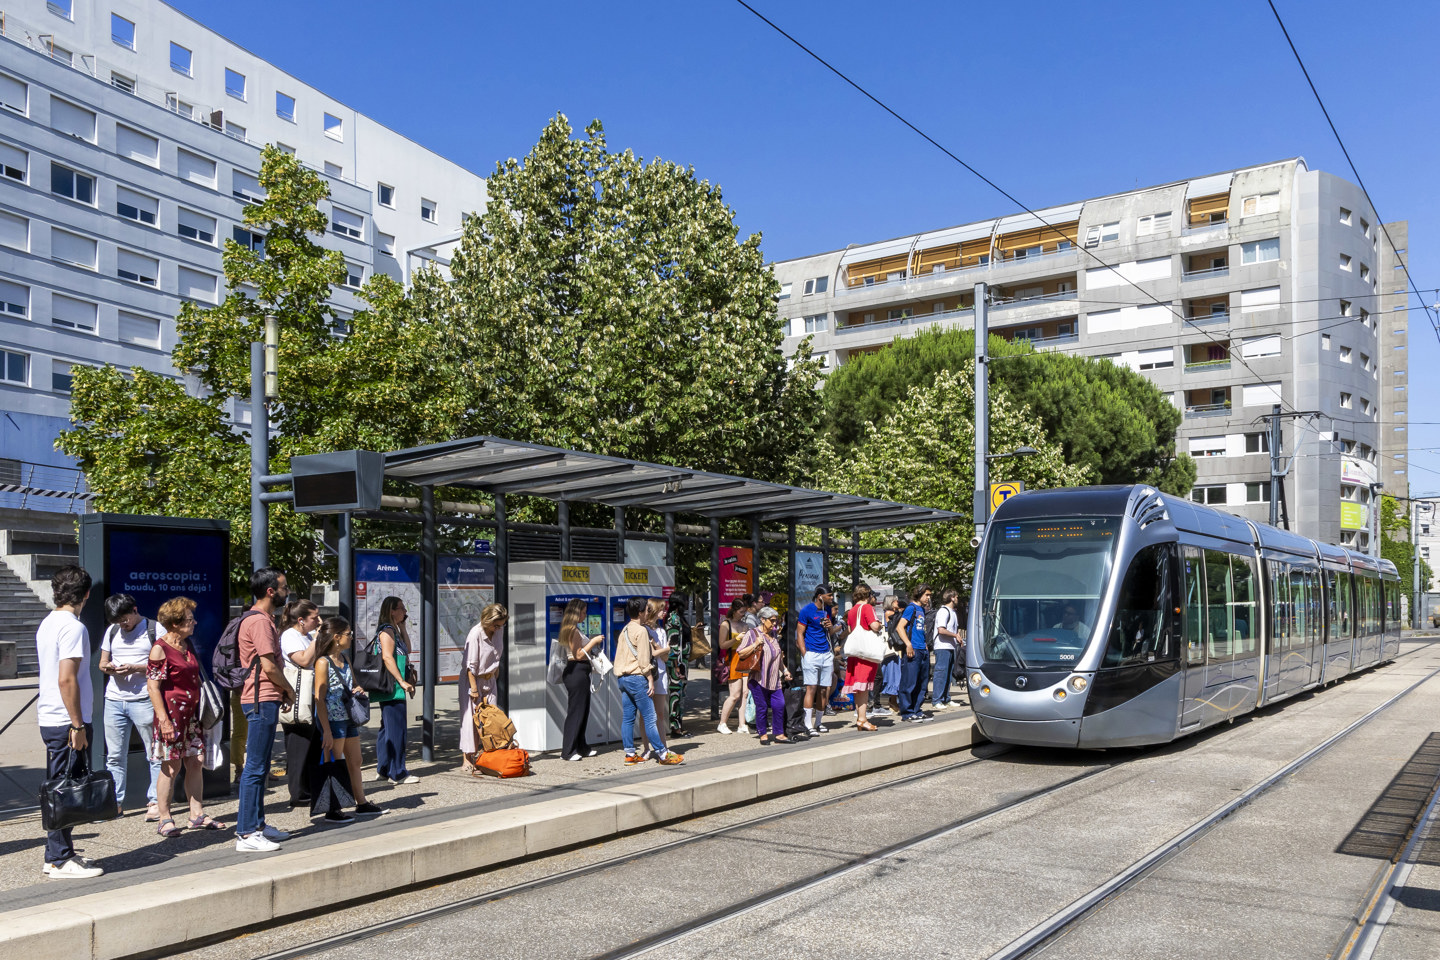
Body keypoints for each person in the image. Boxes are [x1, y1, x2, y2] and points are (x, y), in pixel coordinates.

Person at [36, 564, 101, 879]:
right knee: (65, 791)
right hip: (67, 720)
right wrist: (77, 725)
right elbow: (67, 679)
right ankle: (59, 859)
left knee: (61, 787)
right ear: (86, 594)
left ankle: (59, 854)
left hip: (52, 716)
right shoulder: (74, 627)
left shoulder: (49, 622)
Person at [146, 596, 225, 837]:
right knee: (171, 766)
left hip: (191, 716)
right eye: (190, 619)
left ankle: (196, 814)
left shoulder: (186, 644)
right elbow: (153, 687)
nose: (195, 622)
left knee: (195, 762)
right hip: (171, 717)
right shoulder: (160, 649)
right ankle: (164, 818)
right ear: (175, 623)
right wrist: (164, 721)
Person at [236, 567, 296, 853]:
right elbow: (269, 666)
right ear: (270, 591)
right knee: (256, 767)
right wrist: (289, 689)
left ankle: (258, 825)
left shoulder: (262, 619)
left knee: (260, 767)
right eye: (284, 587)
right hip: (260, 698)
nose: (287, 592)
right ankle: (247, 833)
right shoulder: (259, 622)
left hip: (264, 697)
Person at [98, 593, 160, 820]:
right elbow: (102, 663)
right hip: (114, 699)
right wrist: (109, 668)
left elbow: (164, 665)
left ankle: (156, 801)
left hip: (144, 698)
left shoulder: (154, 629)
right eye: (118, 621)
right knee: (114, 756)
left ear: (134, 610)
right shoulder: (112, 631)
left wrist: (136, 668)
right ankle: (115, 804)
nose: (122, 625)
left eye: (125, 619)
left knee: (154, 753)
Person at [313, 616, 379, 820]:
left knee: (355, 760)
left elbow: (352, 684)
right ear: (336, 637)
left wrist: (358, 689)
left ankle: (361, 802)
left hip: (349, 717)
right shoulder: (322, 662)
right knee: (335, 762)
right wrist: (326, 730)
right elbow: (319, 699)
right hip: (334, 720)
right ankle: (333, 808)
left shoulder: (345, 659)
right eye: (348, 634)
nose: (351, 637)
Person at [614, 596, 683, 766]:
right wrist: (650, 679)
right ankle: (663, 754)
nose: (648, 612)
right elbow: (644, 660)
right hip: (637, 678)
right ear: (640, 612)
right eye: (646, 610)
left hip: (623, 678)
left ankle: (630, 754)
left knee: (628, 718)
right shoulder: (641, 631)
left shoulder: (625, 629)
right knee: (650, 718)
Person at [278, 599, 322, 809]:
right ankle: (297, 792)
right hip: (297, 696)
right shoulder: (290, 636)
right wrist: (317, 638)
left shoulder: (307, 636)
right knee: (298, 744)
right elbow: (303, 660)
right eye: (315, 617)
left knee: (312, 744)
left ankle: (308, 788)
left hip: (311, 694)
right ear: (301, 620)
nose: (318, 621)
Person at [374, 596, 419, 785]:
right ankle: (397, 772)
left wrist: (403, 628)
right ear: (392, 611)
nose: (405, 612)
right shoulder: (386, 631)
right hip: (392, 685)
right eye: (401, 608)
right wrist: (401, 681)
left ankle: (384, 768)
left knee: (387, 727)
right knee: (396, 729)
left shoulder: (394, 630)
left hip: (392, 685)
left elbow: (407, 649)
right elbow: (387, 657)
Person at [459, 603, 508, 762]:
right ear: (487, 620)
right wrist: (474, 689)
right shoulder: (475, 634)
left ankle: (487, 756)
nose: (498, 628)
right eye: (496, 625)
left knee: (491, 718)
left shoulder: (499, 631)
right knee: (471, 719)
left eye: (501, 625)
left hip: (490, 678)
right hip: (473, 679)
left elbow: (496, 656)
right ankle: (467, 758)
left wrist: (494, 675)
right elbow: (470, 665)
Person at [556, 599, 602, 761]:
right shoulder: (573, 630)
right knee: (576, 712)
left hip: (578, 672)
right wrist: (594, 641)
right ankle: (568, 751)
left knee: (582, 711)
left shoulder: (571, 629)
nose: (585, 615)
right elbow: (578, 655)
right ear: (576, 613)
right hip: (576, 671)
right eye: (583, 612)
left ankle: (581, 747)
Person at [747, 607, 793, 745]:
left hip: (774, 678)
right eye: (772, 620)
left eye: (776, 620)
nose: (774, 623)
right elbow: (740, 652)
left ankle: (779, 734)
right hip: (758, 678)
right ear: (763, 619)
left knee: (779, 705)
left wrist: (785, 670)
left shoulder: (773, 635)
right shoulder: (753, 633)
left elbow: (777, 657)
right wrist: (755, 644)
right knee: (761, 707)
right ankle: (763, 734)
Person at [795, 583, 837, 734]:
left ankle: (819, 722)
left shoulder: (827, 610)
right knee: (811, 688)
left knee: (824, 690)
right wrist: (804, 653)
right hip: (811, 653)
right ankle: (808, 724)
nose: (831, 598)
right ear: (820, 596)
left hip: (826, 653)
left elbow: (830, 633)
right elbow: (800, 633)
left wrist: (830, 626)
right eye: (829, 595)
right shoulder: (806, 610)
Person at [842, 584, 883, 731]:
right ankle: (863, 719)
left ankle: (860, 718)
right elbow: (874, 626)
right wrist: (879, 624)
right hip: (866, 653)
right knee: (864, 687)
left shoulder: (852, 610)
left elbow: (850, 629)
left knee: (858, 687)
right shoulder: (867, 608)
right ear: (868, 595)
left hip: (855, 652)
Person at [896, 584, 933, 723]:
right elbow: (900, 627)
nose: (928, 598)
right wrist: (908, 644)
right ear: (919, 593)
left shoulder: (921, 609)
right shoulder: (911, 608)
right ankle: (907, 712)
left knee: (921, 683)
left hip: (922, 649)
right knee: (909, 682)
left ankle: (917, 710)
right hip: (913, 650)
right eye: (926, 595)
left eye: (929, 595)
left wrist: (925, 644)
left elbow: (920, 629)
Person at [639, 598, 671, 758]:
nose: (664, 612)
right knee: (645, 715)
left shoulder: (661, 631)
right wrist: (665, 649)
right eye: (661, 609)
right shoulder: (643, 630)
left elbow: (665, 657)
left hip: (661, 674)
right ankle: (646, 748)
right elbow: (649, 654)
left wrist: (659, 648)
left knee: (660, 714)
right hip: (647, 674)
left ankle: (663, 747)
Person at [716, 599, 751, 735]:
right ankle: (722, 723)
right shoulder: (726, 624)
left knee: (745, 693)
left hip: (744, 658)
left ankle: (742, 724)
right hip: (733, 659)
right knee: (735, 694)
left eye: (744, 612)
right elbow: (722, 645)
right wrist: (736, 639)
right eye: (741, 612)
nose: (743, 614)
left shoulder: (745, 625)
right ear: (734, 611)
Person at [930, 589, 961, 710]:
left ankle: (945, 698)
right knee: (941, 673)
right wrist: (955, 635)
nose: (957, 599)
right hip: (942, 646)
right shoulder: (943, 611)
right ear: (952, 598)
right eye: (956, 597)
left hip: (950, 646)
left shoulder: (952, 612)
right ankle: (937, 700)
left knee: (948, 674)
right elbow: (941, 630)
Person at [665, 594, 691, 737]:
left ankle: (679, 725)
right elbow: (673, 644)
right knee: (675, 692)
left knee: (680, 694)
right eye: (686, 600)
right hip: (677, 663)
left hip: (682, 662)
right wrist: (676, 666)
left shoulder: (680, 618)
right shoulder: (673, 619)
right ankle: (675, 727)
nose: (687, 602)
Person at [877, 596, 903, 716]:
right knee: (893, 674)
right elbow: (894, 626)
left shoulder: (892, 613)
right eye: (896, 601)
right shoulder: (889, 613)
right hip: (891, 648)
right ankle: (892, 701)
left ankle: (893, 700)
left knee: (895, 674)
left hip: (894, 649)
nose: (898, 603)